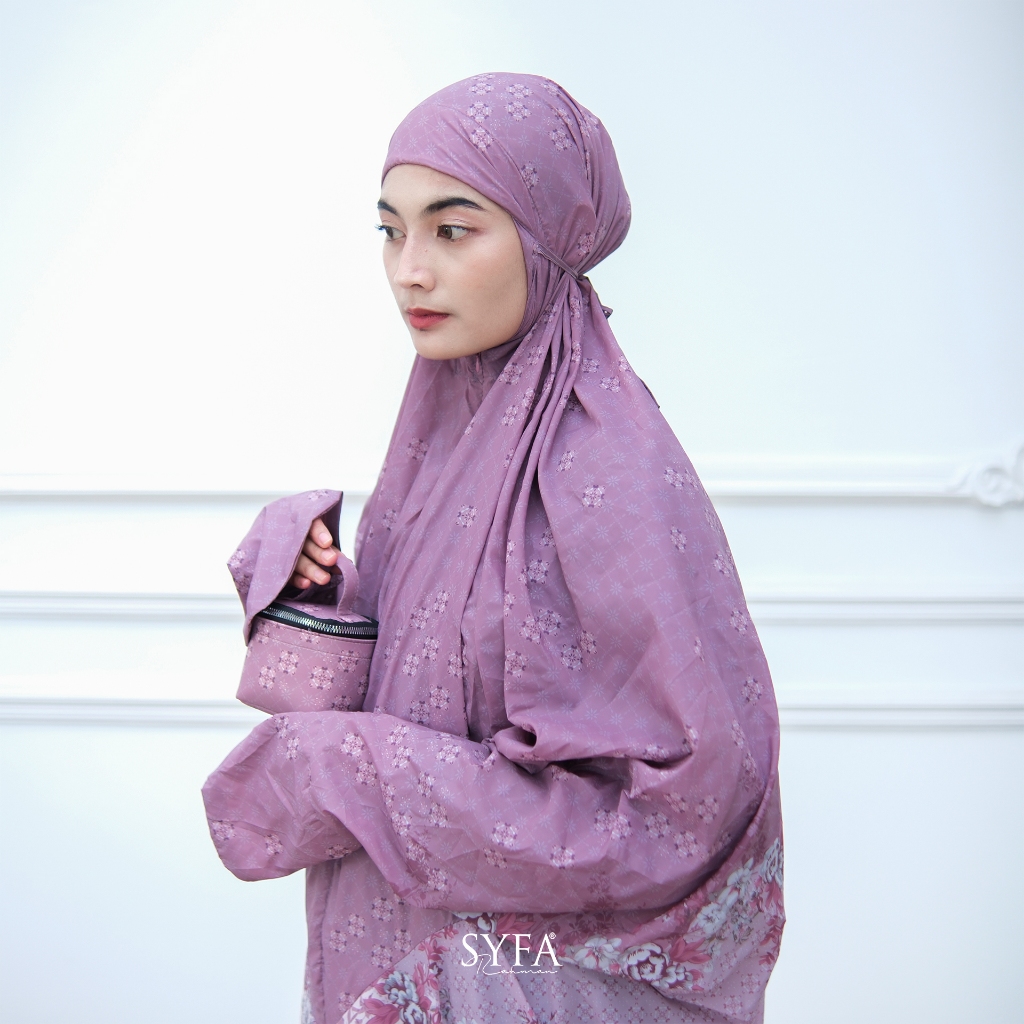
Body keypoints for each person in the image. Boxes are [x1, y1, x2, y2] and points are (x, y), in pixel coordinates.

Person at [203, 72, 784, 1024]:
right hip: (406, 946)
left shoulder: (603, 466)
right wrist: (323, 593)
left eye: (452, 229)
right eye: (390, 230)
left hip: (513, 981)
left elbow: (678, 810)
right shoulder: (449, 439)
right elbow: (437, 682)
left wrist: (355, 767)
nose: (409, 271)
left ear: (547, 237)